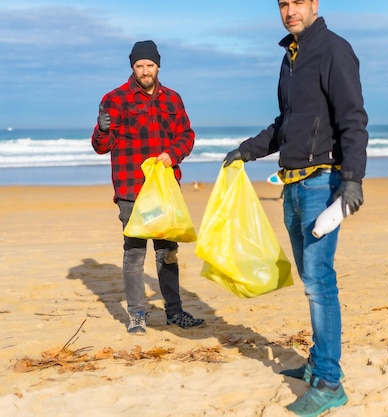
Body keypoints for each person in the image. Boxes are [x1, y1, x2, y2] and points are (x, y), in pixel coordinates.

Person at [222, 1, 368, 415]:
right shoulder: (292, 56)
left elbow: (353, 119)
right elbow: (287, 122)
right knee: (310, 279)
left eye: (298, 2)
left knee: (319, 283)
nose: (290, 10)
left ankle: (329, 382)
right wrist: (246, 151)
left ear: (315, 5)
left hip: (323, 184)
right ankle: (318, 364)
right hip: (293, 185)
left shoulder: (335, 50)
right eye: (283, 3)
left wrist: (353, 179)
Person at [92, 40, 205, 335]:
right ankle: (137, 315)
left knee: (167, 251)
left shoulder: (173, 99)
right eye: (139, 65)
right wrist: (102, 129)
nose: (145, 70)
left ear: (158, 66)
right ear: (133, 67)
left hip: (166, 188)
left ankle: (175, 312)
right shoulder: (114, 99)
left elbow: (187, 136)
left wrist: (173, 153)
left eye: (149, 65)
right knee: (134, 253)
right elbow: (102, 147)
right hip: (131, 189)